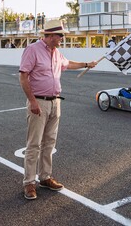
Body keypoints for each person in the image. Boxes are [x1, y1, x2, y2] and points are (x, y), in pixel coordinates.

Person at [19, 19, 98, 200]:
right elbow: (23, 77)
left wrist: (86, 64)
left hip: (55, 102)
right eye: (60, 35)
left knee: (49, 143)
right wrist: (32, 101)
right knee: (34, 144)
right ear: (50, 35)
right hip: (39, 101)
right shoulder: (33, 50)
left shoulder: (56, 52)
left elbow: (67, 64)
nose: (62, 38)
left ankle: (45, 177)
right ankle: (29, 182)